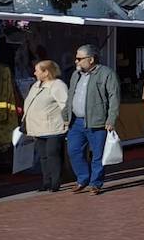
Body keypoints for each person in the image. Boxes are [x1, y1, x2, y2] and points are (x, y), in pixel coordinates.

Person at [65, 44, 120, 195]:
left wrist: (111, 119)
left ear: (91, 59)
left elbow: (114, 97)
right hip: (76, 121)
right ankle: (83, 179)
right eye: (76, 58)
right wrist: (66, 115)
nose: (76, 61)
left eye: (79, 58)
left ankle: (96, 183)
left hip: (97, 121)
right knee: (74, 151)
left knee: (98, 154)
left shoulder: (106, 73)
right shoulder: (75, 75)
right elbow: (70, 96)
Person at [23, 60, 69, 192]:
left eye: (37, 70)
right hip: (37, 128)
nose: (34, 72)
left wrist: (66, 121)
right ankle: (46, 181)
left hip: (53, 127)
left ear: (46, 72)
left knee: (52, 154)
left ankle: (55, 182)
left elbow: (64, 104)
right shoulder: (36, 85)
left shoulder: (58, 85)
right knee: (43, 156)